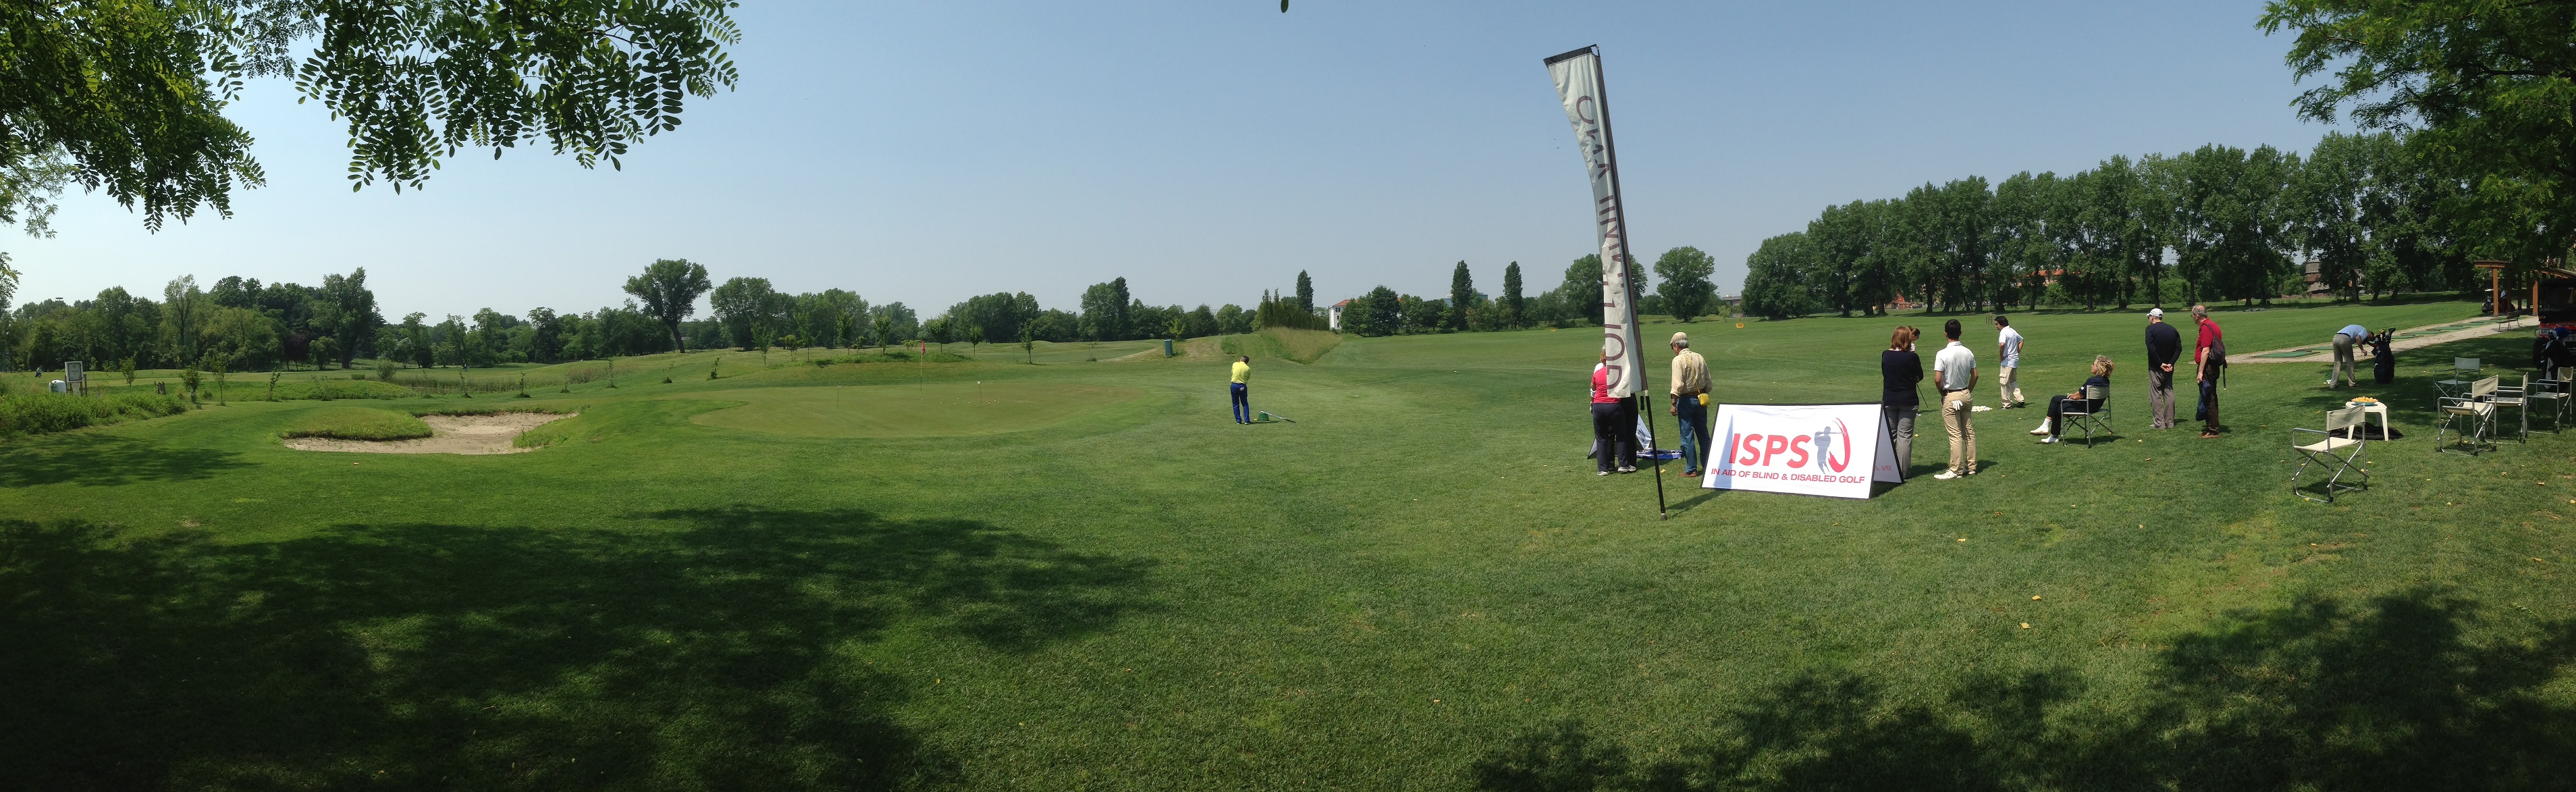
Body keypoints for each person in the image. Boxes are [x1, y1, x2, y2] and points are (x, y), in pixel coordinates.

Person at [1932, 319, 1979, 479]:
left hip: (1951, 394)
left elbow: (1938, 379)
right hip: (1965, 393)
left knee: (1955, 435)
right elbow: (1975, 375)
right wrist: (1968, 391)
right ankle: (1971, 467)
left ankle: (1955, 470)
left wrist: (1943, 393)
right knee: (1969, 433)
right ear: (1960, 333)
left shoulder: (1942, 354)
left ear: (1945, 333)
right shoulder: (1968, 352)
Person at [2029, 356, 2114, 444]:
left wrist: (2072, 396)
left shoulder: (2093, 381)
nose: (2091, 366)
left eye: (2094, 364)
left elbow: (2077, 397)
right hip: (2094, 407)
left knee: (2058, 405)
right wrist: (2074, 396)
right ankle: (2046, 428)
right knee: (2057, 400)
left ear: (2099, 368)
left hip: (2085, 407)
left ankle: (2049, 431)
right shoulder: (2106, 381)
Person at [1668, 332, 1713, 477]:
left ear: (1676, 346)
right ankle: (1708, 465)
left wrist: (1673, 403)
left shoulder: (1678, 360)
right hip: (1701, 399)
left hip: (1686, 400)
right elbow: (1708, 381)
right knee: (1704, 435)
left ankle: (1691, 469)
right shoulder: (1699, 357)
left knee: (1687, 436)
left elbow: (1678, 384)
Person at [1881, 325, 1923, 475]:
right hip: (1908, 399)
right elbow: (1920, 376)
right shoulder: (1912, 357)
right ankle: (1903, 472)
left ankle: (1885, 469)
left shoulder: (1886, 355)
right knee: (1904, 436)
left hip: (1890, 399)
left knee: (1890, 435)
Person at [1592, 352, 1636, 475]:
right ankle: (1623, 464)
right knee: (1621, 436)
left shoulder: (1597, 373)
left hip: (1598, 406)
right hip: (1613, 406)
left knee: (1601, 438)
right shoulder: (1617, 373)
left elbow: (1593, 387)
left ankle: (1603, 468)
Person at [2144, 309, 2180, 429]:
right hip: (2169, 369)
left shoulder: (2150, 329)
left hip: (2156, 368)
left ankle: (2159, 423)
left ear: (2152, 317)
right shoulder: (2172, 329)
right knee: (2169, 393)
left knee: (2156, 395)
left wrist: (2160, 364)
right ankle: (2170, 422)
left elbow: (2151, 348)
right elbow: (2178, 348)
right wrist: (2171, 363)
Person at [2193, 304, 2225, 438]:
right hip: (2211, 366)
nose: (2193, 318)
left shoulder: (2206, 327)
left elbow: (2205, 351)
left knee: (2209, 396)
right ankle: (2210, 428)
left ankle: (2213, 430)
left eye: (2193, 316)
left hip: (2208, 367)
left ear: (2197, 316)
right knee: (2208, 395)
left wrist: (2200, 372)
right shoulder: (2213, 325)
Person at [1993, 315, 2025, 408]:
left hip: (2007, 361)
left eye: (1997, 324)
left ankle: (2007, 404)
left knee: (2004, 382)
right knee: (2012, 381)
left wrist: (2001, 356)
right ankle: (2020, 399)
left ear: (2001, 324)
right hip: (2014, 360)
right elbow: (2021, 340)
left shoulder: (2004, 332)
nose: (1996, 326)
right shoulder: (2012, 330)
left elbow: (2002, 344)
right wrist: (2017, 352)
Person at [2330, 323, 2371, 388]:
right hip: (2344, 339)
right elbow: (2358, 338)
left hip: (2336, 338)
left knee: (2337, 362)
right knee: (2350, 362)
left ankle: (2333, 384)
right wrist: (2362, 349)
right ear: (2370, 334)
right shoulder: (2365, 331)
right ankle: (2352, 383)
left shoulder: (2357, 328)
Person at [1229, 355, 1253, 424]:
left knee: (1235, 403)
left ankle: (1238, 421)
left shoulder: (1235, 364)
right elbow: (1247, 378)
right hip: (1242, 386)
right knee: (1245, 403)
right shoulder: (1248, 369)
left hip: (1234, 385)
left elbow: (1233, 372)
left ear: (1241, 360)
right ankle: (1247, 420)